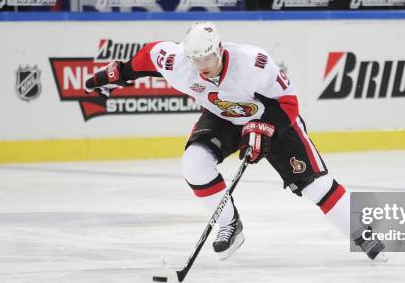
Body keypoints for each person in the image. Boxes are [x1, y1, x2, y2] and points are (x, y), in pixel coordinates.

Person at [83, 22, 387, 262]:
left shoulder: (253, 63)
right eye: (196, 59)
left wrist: (264, 127)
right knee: (194, 164)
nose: (202, 66)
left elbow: (289, 103)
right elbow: (142, 60)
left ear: (220, 49)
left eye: (208, 58)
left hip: (272, 117)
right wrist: (112, 75)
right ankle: (229, 223)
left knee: (314, 185)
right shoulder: (175, 60)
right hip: (223, 116)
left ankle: (360, 232)